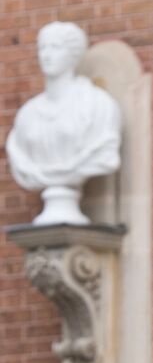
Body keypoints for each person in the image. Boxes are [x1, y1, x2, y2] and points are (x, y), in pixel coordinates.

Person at [5, 20, 121, 226]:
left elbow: (106, 154)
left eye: (55, 47)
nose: (47, 55)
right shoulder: (28, 114)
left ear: (73, 55)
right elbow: (20, 158)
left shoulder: (96, 105)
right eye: (43, 48)